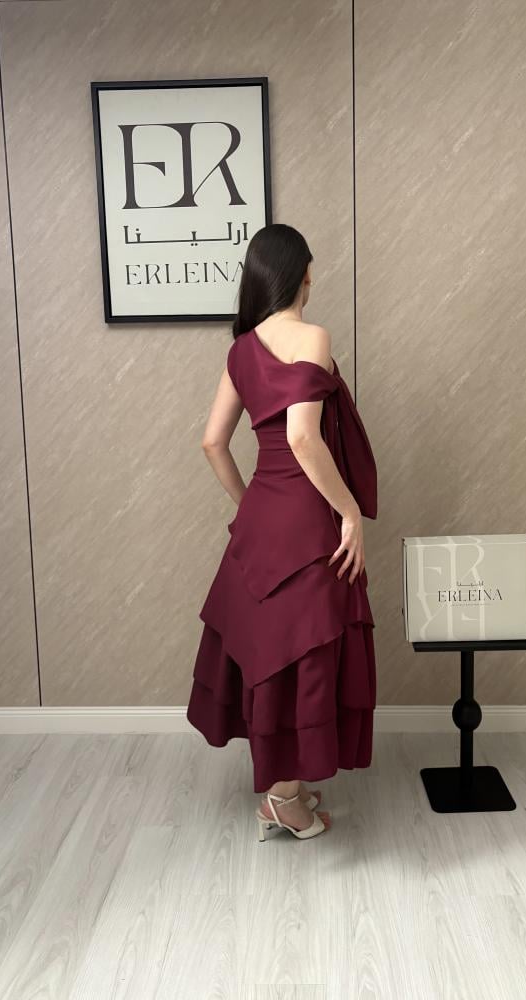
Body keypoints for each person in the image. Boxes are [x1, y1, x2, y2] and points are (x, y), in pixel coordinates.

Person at [187, 223, 378, 841]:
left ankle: (285, 787)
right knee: (306, 652)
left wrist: (251, 506)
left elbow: (213, 442)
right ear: (303, 274)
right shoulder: (311, 336)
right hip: (306, 519)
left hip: (264, 519)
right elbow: (302, 436)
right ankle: (284, 801)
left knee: (275, 650)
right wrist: (349, 512)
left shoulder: (241, 349)